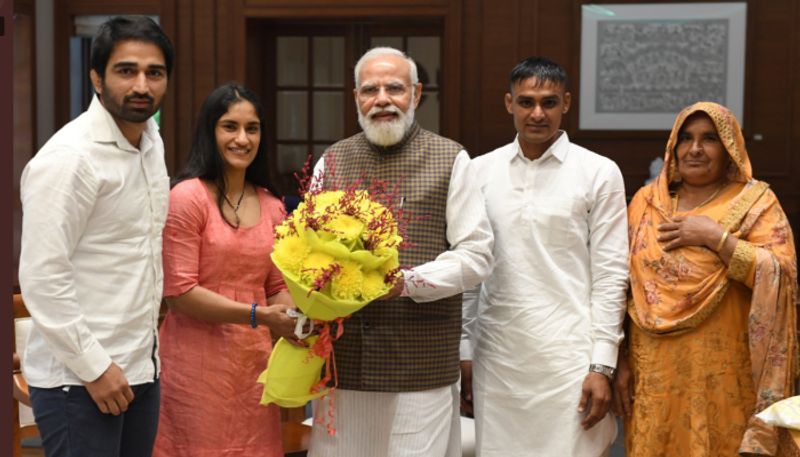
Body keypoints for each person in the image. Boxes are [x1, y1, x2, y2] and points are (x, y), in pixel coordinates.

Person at [307, 46, 495, 457]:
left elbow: (477, 255)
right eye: (370, 89)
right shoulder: (332, 160)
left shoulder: (450, 158)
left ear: (417, 93)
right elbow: (307, 252)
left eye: (395, 88)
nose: (382, 99)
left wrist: (405, 283)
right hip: (345, 361)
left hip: (420, 364)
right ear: (356, 97)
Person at [18, 16, 173, 456]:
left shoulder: (151, 141)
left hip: (141, 368)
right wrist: (94, 366)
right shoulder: (71, 159)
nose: (142, 85)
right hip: (80, 379)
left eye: (154, 73)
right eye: (126, 71)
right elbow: (43, 279)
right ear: (97, 79)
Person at [460, 56, 629, 456]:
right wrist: (464, 351)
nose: (537, 113)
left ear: (566, 103)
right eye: (526, 102)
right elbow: (469, 268)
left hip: (569, 359)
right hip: (497, 358)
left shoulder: (599, 172)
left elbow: (610, 274)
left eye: (549, 102)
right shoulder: (478, 172)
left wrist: (601, 364)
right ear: (508, 103)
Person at [614, 101, 797, 456]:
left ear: (729, 149)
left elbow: (782, 273)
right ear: (673, 145)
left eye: (709, 139)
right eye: (686, 138)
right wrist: (617, 359)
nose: (694, 149)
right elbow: (619, 284)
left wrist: (717, 239)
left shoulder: (757, 202)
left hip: (725, 371)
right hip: (654, 373)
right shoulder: (646, 203)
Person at [152, 83, 300, 456]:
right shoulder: (187, 198)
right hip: (194, 368)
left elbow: (276, 282)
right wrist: (260, 316)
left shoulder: (272, 206)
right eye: (229, 126)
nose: (242, 138)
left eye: (252, 128)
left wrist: (298, 315)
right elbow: (180, 293)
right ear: (209, 131)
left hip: (254, 368)